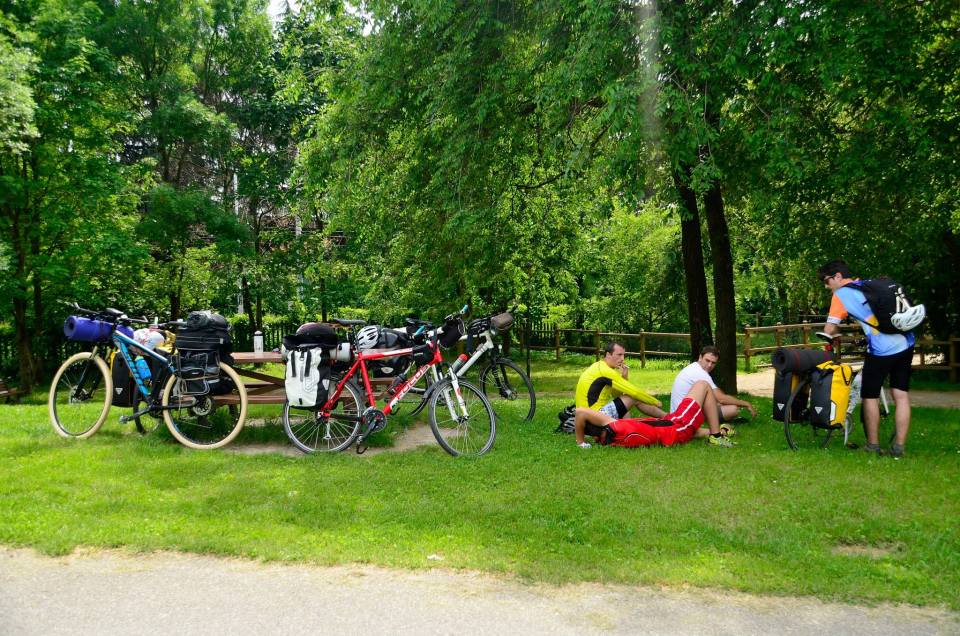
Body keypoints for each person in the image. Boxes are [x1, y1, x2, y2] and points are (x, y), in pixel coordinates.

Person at [817, 259, 914, 458]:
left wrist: (834, 333)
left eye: (827, 281)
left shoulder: (841, 294)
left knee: (870, 395)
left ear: (837, 277)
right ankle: (899, 447)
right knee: (901, 394)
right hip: (906, 342)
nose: (826, 286)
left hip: (881, 350)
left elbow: (829, 329)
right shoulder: (867, 285)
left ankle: (873, 445)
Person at [574, 380, 734, 448]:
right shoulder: (614, 426)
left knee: (694, 431)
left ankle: (722, 431)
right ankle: (716, 436)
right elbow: (580, 411)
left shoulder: (607, 439)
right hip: (676, 426)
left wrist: (585, 440)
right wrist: (580, 442)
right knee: (703, 385)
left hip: (668, 429)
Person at [575, 341, 665, 420]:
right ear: (608, 355)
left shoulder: (599, 366)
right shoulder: (606, 371)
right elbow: (635, 392)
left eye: (623, 355)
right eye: (619, 355)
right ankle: (667, 417)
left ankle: (627, 429)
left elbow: (617, 395)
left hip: (587, 416)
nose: (622, 359)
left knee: (624, 403)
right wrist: (655, 402)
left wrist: (624, 376)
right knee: (633, 397)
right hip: (594, 415)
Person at [670, 345, 757, 423]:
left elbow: (717, 395)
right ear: (700, 357)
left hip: (680, 412)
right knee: (733, 409)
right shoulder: (700, 373)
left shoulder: (695, 368)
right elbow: (721, 398)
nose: (709, 365)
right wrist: (745, 403)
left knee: (722, 404)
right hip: (684, 416)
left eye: (713, 363)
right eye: (707, 360)